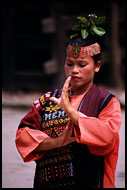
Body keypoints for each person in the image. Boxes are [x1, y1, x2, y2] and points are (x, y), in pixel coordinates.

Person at [15, 14, 122, 188]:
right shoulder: (48, 100)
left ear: (97, 66)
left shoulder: (106, 102)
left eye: (82, 64)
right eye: (69, 63)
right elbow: (23, 135)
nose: (74, 70)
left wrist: (71, 112)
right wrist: (56, 143)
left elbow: (106, 137)